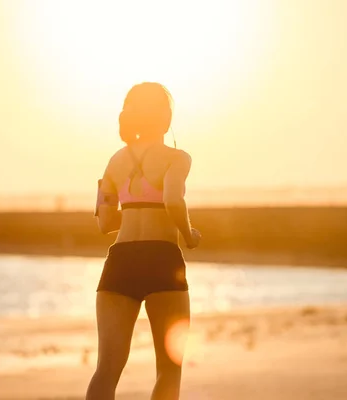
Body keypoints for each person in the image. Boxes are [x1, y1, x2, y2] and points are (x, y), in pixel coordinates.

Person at [86, 82, 201, 400]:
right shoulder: (177, 158)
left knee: (106, 371)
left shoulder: (114, 162)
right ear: (165, 118)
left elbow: (105, 222)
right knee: (168, 368)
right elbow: (173, 201)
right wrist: (189, 235)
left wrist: (136, 212)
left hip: (120, 261)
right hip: (162, 259)